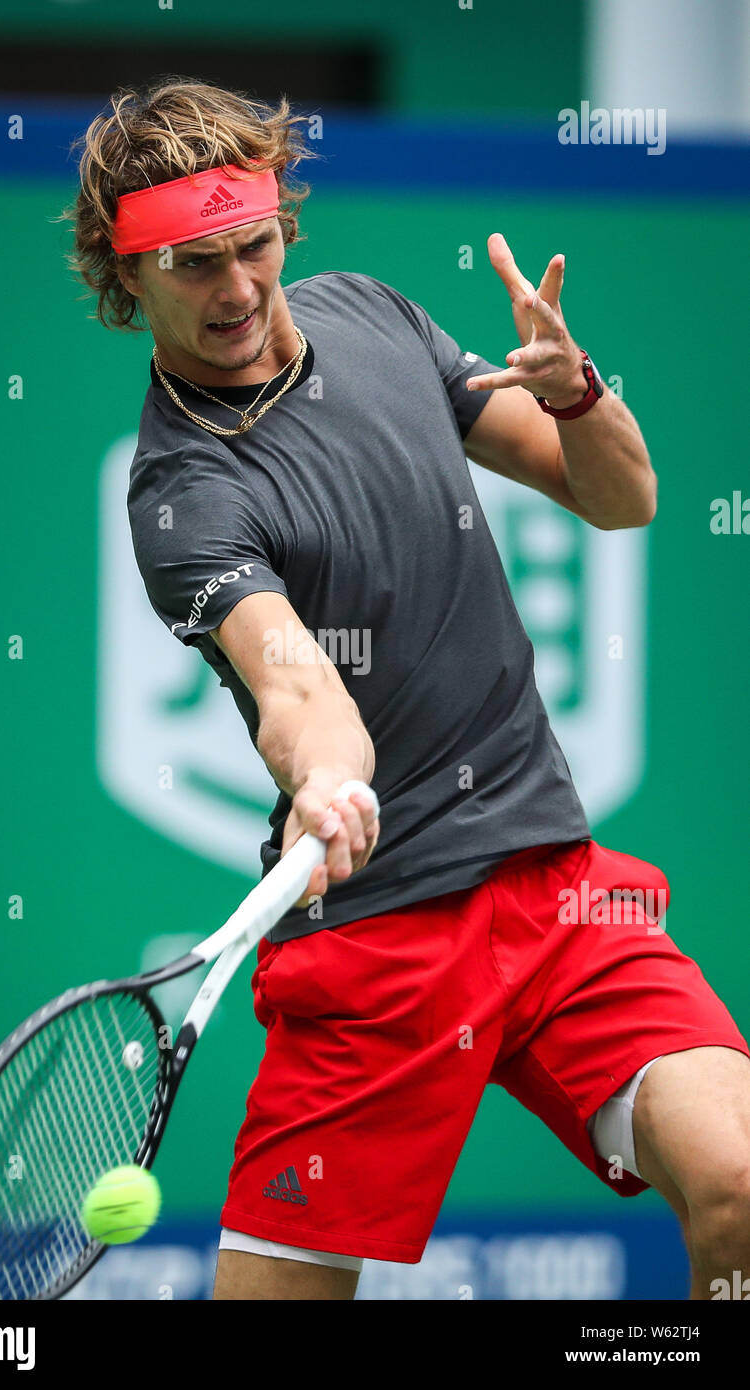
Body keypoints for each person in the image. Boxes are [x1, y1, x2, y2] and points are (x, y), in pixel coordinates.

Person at [66, 78, 750, 1302]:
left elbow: (618, 496)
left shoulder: (374, 315)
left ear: (285, 226)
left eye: (253, 245)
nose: (234, 291)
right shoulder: (182, 498)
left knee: (740, 1185)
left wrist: (573, 386)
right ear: (125, 279)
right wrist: (323, 776)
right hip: (376, 950)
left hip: (554, 895)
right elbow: (287, 675)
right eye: (190, 265)